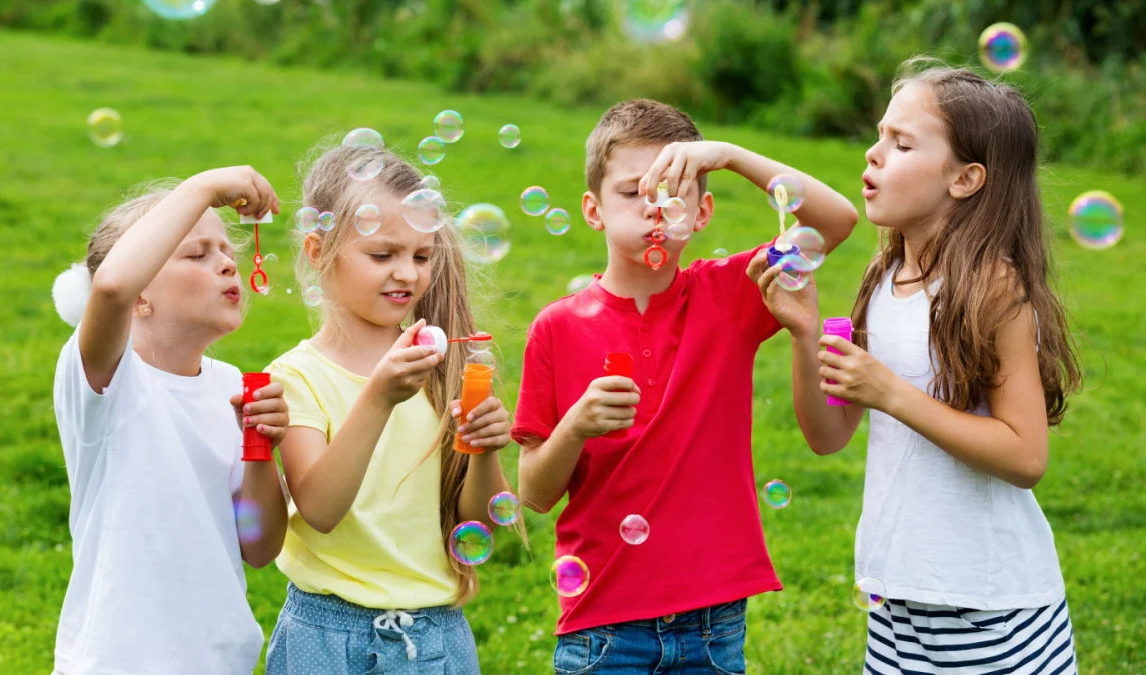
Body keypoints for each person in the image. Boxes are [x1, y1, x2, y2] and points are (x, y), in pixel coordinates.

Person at [513, 98, 859, 673]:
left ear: (702, 213)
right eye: (632, 192)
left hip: (712, 624)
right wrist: (574, 426)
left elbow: (837, 220)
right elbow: (533, 492)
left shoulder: (733, 293)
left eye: (673, 193)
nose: (654, 209)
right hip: (603, 626)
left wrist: (725, 155)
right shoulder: (556, 327)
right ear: (593, 209)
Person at [803, 60, 1081, 673]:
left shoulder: (993, 288)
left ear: (965, 179)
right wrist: (804, 327)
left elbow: (1025, 455)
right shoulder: (884, 279)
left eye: (901, 143)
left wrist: (891, 393)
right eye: (879, 135)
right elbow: (827, 436)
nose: (874, 154)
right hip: (897, 595)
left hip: (985, 603)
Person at [264, 143, 515, 674]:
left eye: (421, 256)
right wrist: (378, 398)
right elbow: (320, 509)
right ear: (317, 250)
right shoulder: (297, 377)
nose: (407, 273)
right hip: (329, 638)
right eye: (383, 255)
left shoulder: (440, 363)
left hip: (437, 637)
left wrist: (485, 449)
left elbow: (479, 520)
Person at [50, 167, 290, 675]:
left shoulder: (229, 385)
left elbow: (261, 546)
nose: (226, 264)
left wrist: (261, 447)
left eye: (226, 251)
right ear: (141, 296)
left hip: (221, 659)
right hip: (118, 661)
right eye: (197, 254)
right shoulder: (106, 382)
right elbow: (110, 286)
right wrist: (204, 188)